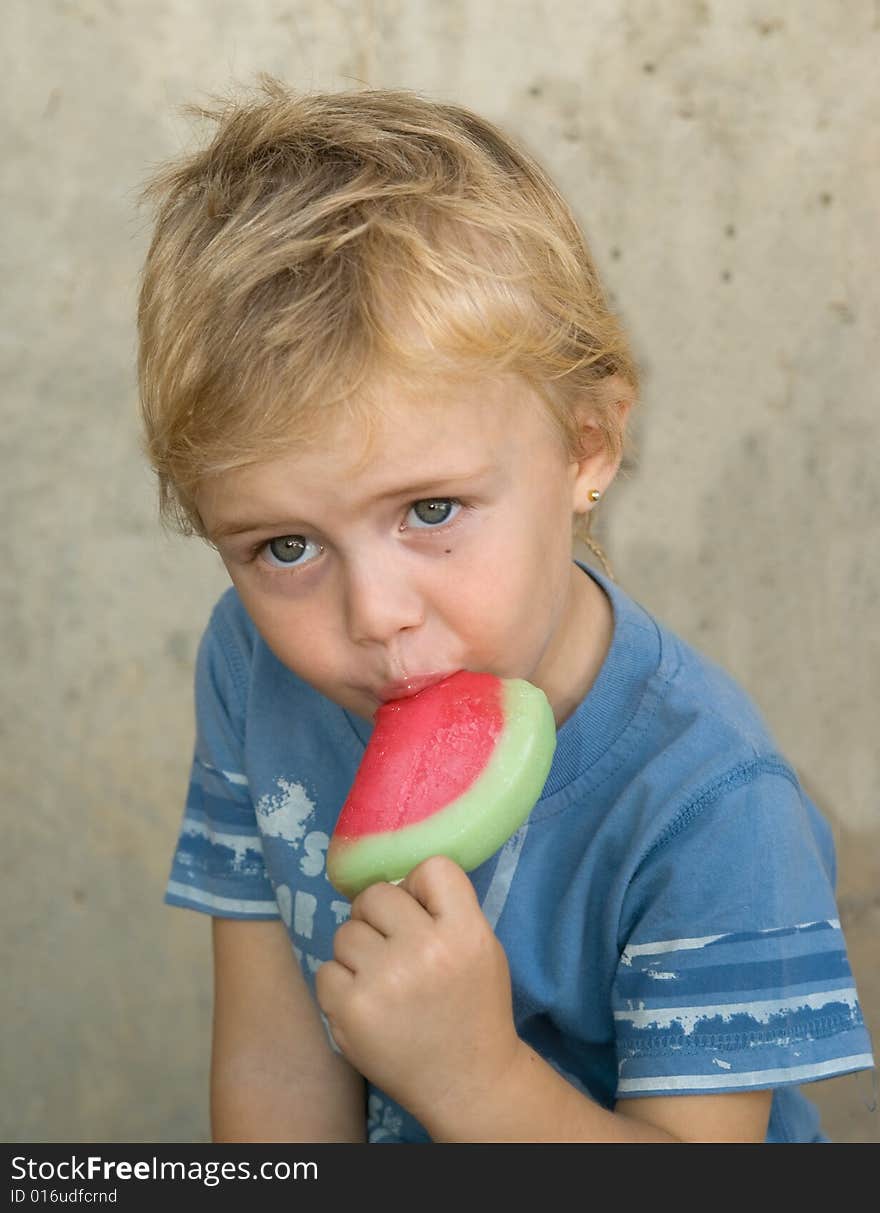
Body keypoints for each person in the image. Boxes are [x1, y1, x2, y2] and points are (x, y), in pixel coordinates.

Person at [137, 77, 874, 1143]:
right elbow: (275, 1064)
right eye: (283, 546)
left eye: (429, 509)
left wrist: (472, 1078)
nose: (375, 613)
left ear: (587, 445)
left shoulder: (710, 804)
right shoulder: (252, 665)